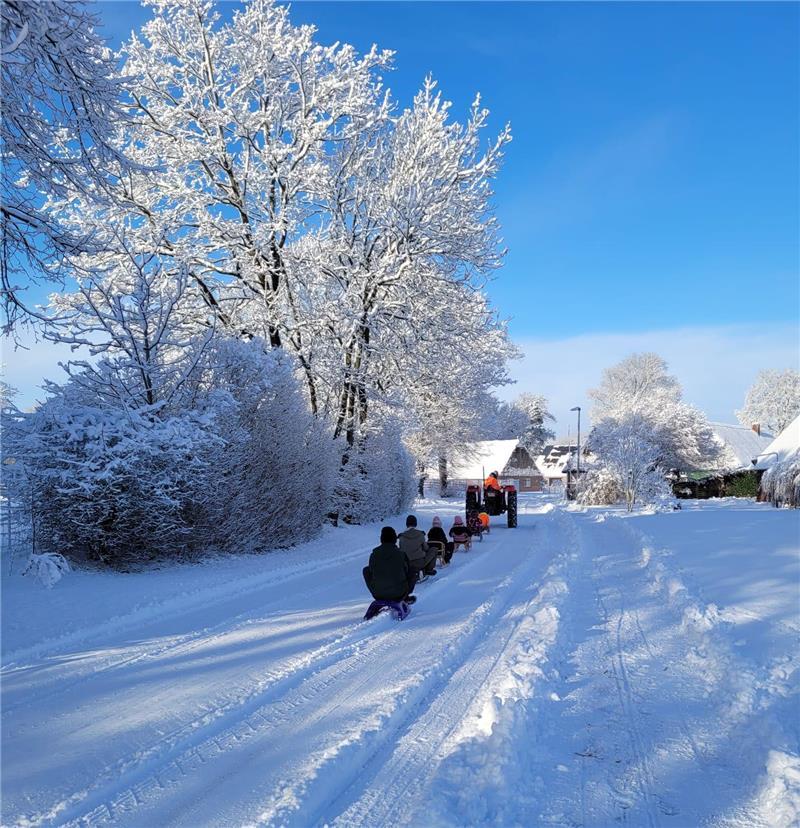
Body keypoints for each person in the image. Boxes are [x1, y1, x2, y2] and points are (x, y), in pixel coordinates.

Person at [363, 526, 417, 603]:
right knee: (412, 570)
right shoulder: (401, 554)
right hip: (399, 593)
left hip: (378, 594)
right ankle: (406, 596)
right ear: (394, 539)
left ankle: (379, 588)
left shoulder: (374, 554)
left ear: (381, 539)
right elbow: (407, 570)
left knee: (366, 570)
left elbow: (371, 571)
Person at [399, 514, 437, 579]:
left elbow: (401, 550)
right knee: (434, 550)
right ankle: (428, 570)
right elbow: (426, 548)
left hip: (406, 563)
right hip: (419, 562)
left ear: (407, 524)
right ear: (415, 524)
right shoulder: (420, 534)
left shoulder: (402, 536)